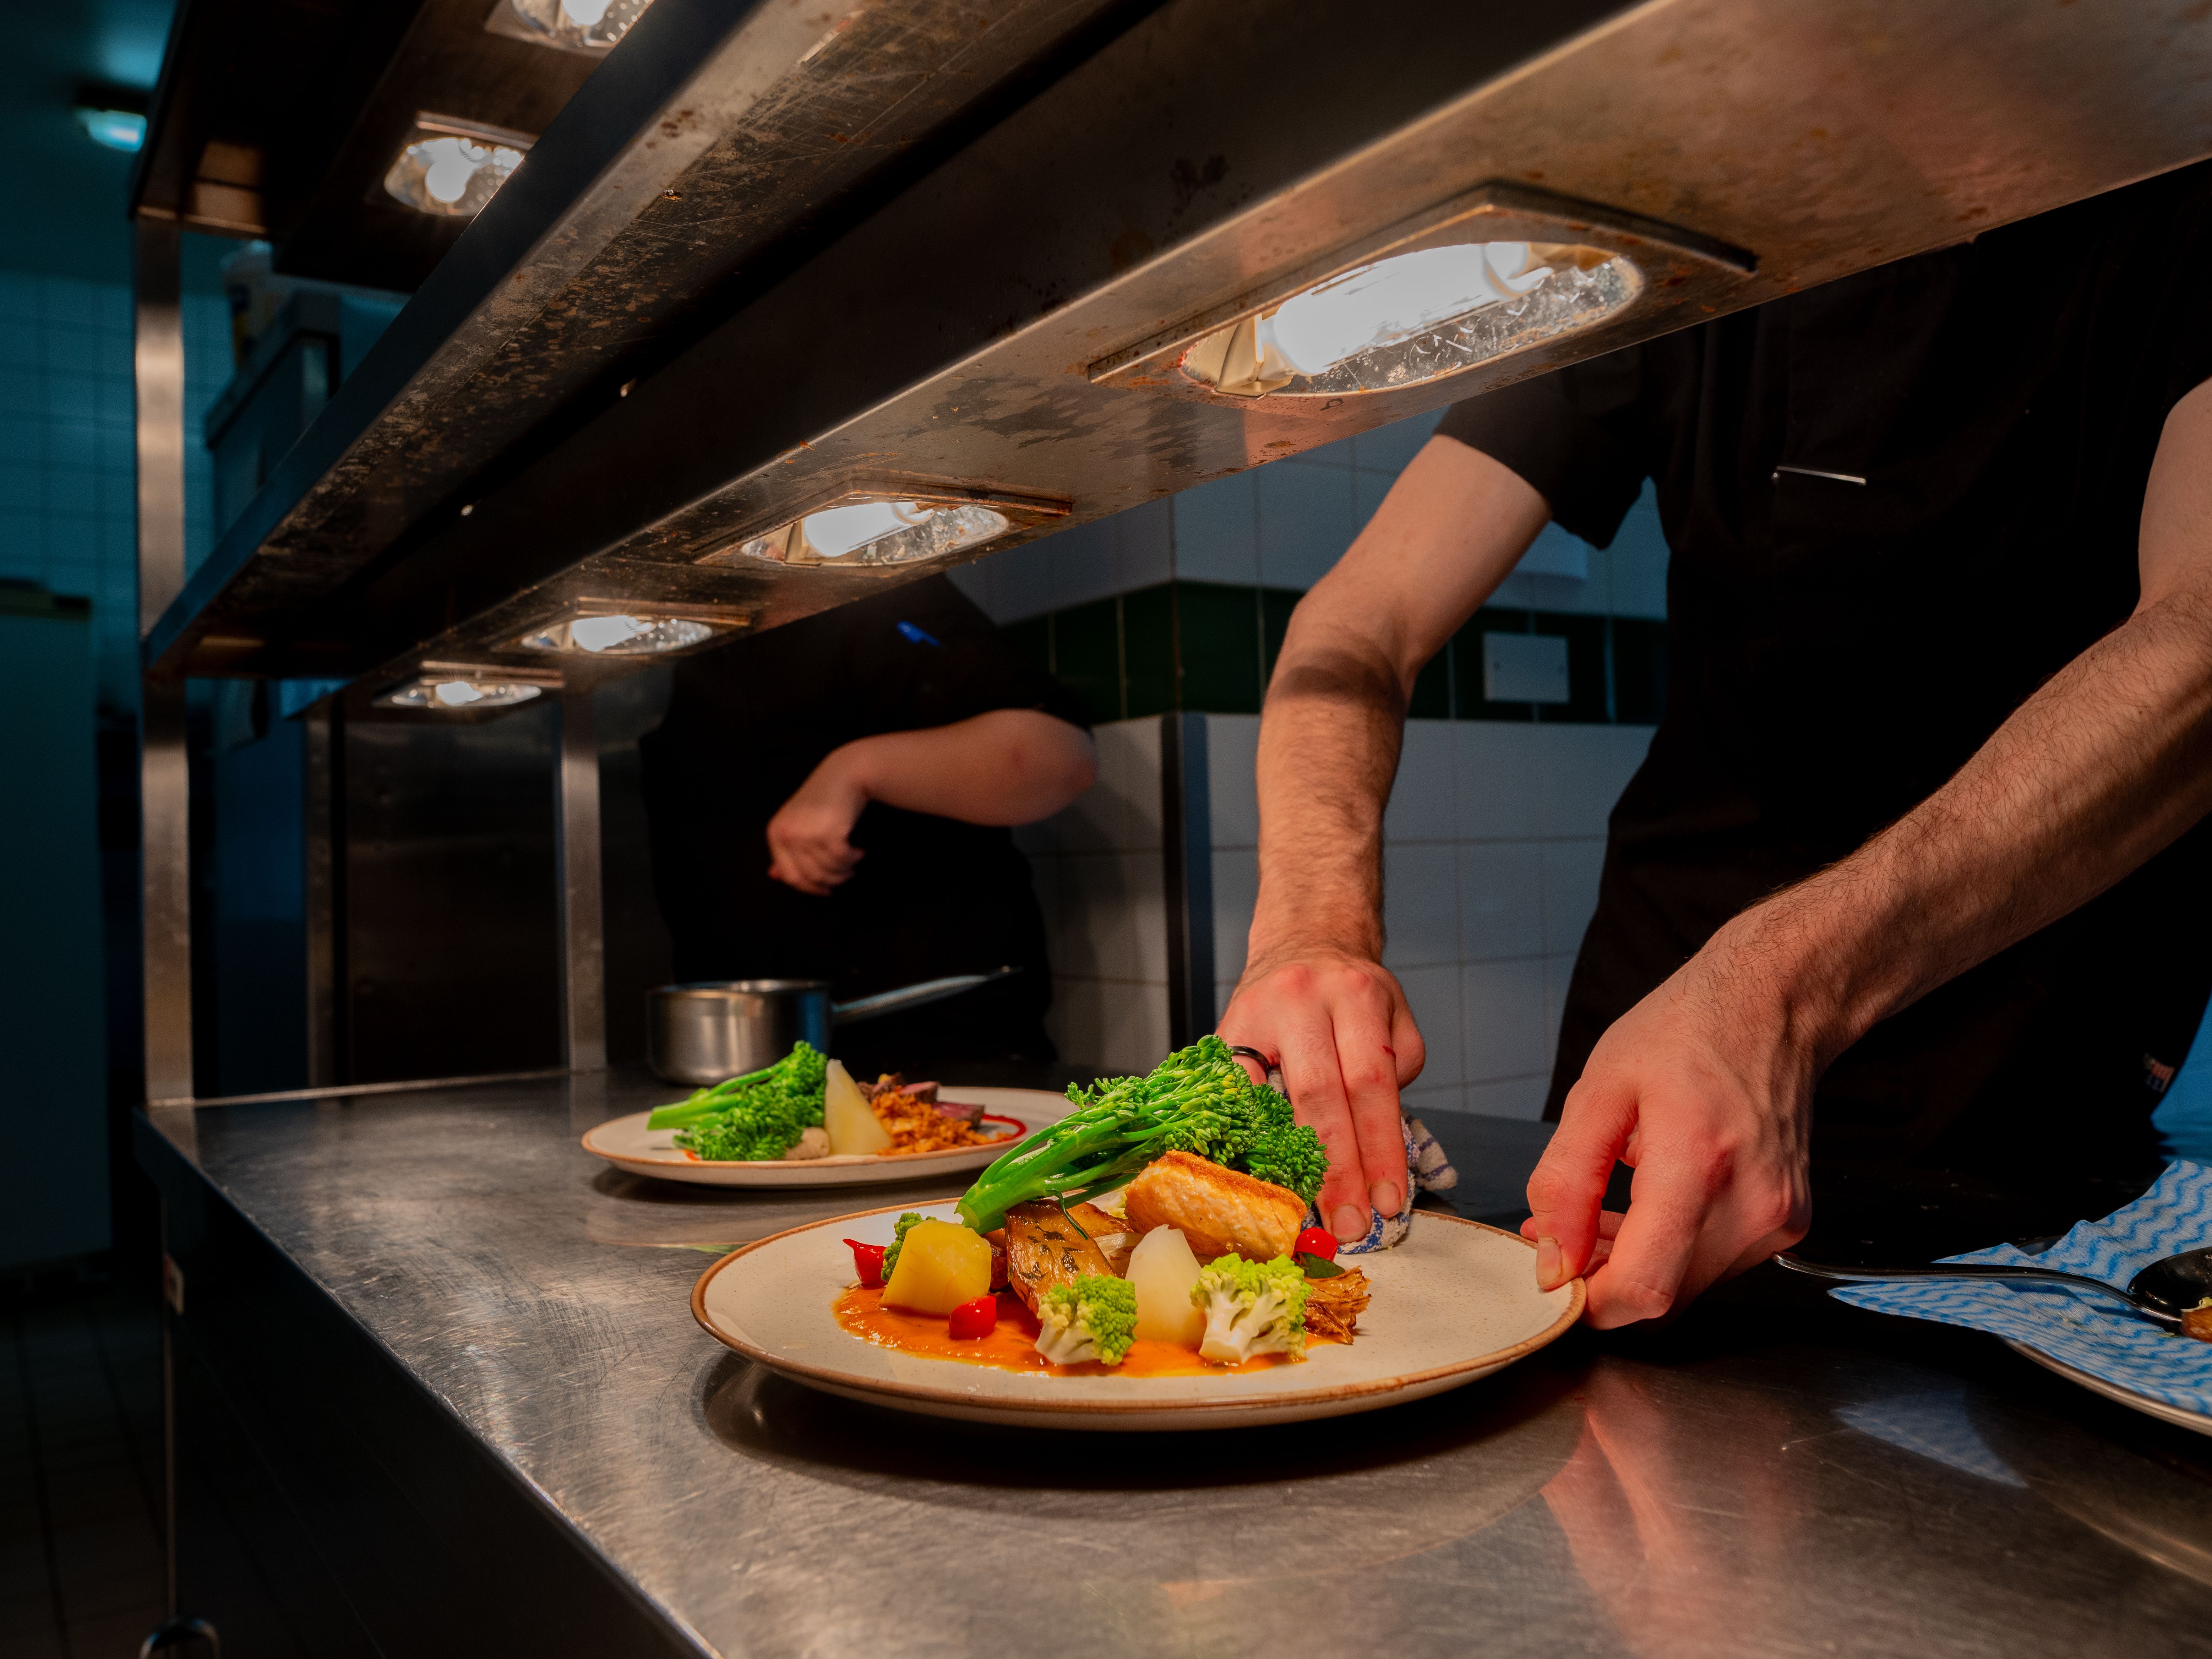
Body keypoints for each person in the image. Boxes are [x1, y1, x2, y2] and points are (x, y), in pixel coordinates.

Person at [1217, 159, 2212, 1327]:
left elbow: (2197, 638)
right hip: (1657, 1040)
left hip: (2014, 1058)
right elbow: (1356, 626)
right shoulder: (1675, 258)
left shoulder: (2172, 187)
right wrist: (1313, 926)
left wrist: (1778, 989)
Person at [639, 575, 1096, 1078]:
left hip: (931, 1051)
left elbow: (1060, 758)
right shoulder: (696, 648)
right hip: (740, 1057)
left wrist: (856, 771)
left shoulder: (875, 592)